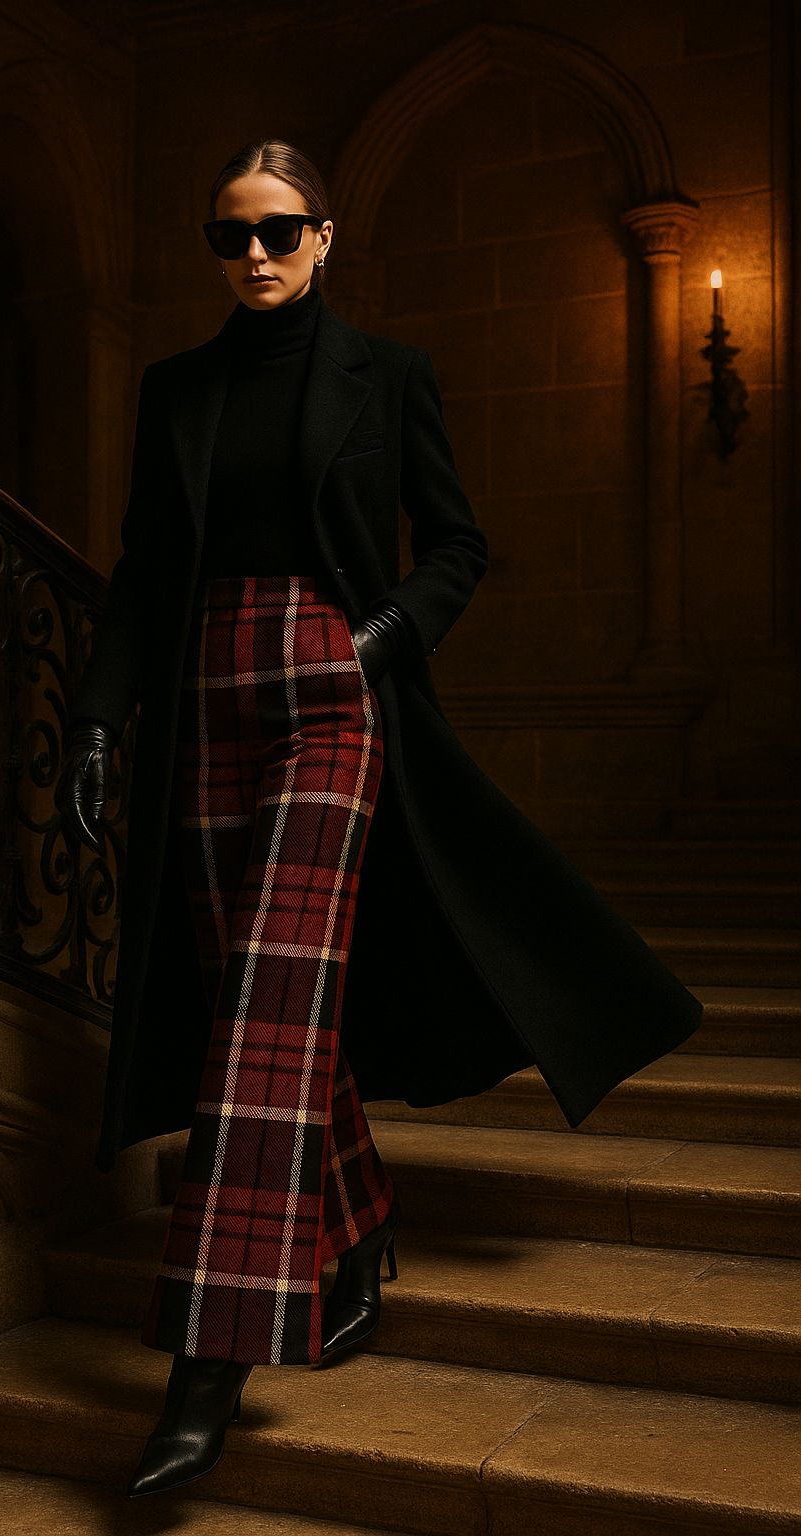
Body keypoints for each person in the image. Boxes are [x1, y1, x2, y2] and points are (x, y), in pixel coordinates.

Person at [55, 139, 703, 1499]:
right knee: (254, 997)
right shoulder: (176, 392)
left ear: (327, 234)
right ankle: (359, 1227)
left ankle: (203, 1363)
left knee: (270, 1007)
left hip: (333, 696)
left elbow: (457, 543)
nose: (257, 258)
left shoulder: (388, 373)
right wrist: (102, 719)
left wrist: (388, 635)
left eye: (280, 231)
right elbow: (142, 571)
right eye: (231, 237)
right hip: (200, 702)